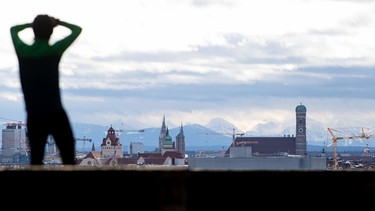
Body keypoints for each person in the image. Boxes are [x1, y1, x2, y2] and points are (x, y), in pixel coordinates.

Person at [10, 14, 82, 166]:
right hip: (56, 112)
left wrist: (32, 24)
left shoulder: (23, 51)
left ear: (34, 31)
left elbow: (13, 29)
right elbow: (77, 30)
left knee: (36, 161)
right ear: (51, 33)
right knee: (68, 157)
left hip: (34, 115)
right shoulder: (54, 51)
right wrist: (58, 22)